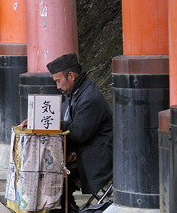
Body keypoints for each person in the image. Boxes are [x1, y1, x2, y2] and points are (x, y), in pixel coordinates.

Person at [23, 53, 113, 198]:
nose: (57, 86)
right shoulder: (76, 92)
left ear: (71, 76)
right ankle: (55, 211)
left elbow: (79, 133)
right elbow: (60, 118)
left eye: (58, 81)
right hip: (81, 151)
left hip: (94, 156)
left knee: (50, 168)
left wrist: (53, 124)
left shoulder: (89, 98)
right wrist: (36, 121)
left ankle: (60, 212)